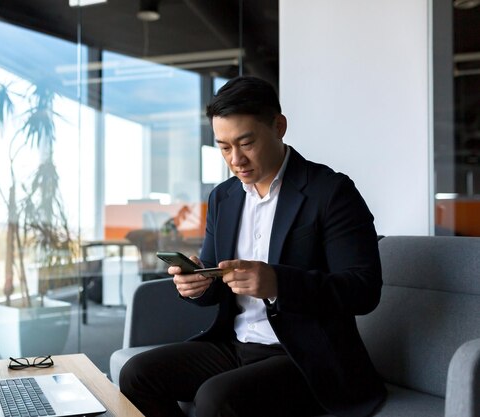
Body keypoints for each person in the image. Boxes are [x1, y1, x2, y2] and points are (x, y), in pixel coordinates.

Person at [119, 76, 387, 417]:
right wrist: (197, 285)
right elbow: (217, 284)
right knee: (137, 375)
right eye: (224, 147)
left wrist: (279, 283)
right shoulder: (224, 197)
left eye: (246, 143)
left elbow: (364, 291)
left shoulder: (331, 192)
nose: (235, 159)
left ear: (279, 126)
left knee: (216, 398)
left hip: (308, 358)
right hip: (236, 345)